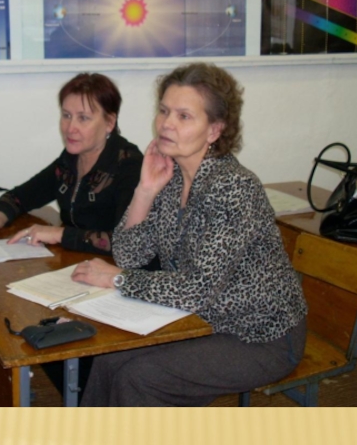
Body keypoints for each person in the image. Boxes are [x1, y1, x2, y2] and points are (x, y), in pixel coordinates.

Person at [71, 62, 308, 407]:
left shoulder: (233, 187)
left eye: (184, 116)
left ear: (214, 130)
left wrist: (118, 279)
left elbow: (196, 289)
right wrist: (146, 190)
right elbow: (129, 255)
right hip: (201, 319)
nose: (166, 123)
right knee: (109, 359)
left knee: (139, 376)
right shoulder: (171, 176)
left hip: (260, 334)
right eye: (164, 111)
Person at [0, 72, 143, 256]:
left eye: (83, 118)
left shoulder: (129, 165)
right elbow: (21, 197)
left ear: (109, 122)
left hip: (115, 268)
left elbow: (126, 243)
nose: (70, 128)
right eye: (66, 115)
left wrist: (59, 234)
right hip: (75, 260)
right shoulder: (71, 158)